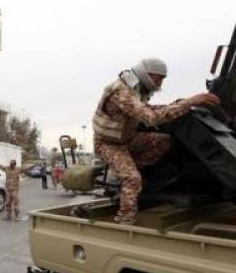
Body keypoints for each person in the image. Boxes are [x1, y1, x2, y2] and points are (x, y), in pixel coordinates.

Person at [93, 58, 220, 225]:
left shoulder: (138, 89)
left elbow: (149, 109)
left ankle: (129, 172)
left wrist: (181, 103)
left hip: (127, 140)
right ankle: (124, 220)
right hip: (108, 144)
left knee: (163, 141)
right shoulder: (122, 92)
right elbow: (150, 118)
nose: (160, 83)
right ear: (146, 75)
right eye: (158, 78)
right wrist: (188, 103)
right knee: (132, 178)